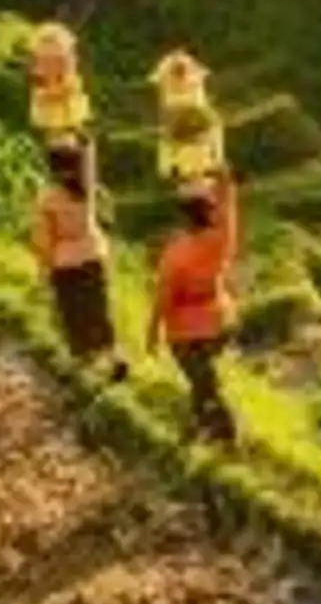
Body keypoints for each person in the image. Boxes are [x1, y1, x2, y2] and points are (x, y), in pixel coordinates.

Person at [150, 169, 241, 445]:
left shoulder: (175, 254)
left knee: (203, 381)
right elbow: (229, 204)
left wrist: (152, 330)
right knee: (202, 379)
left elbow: (164, 298)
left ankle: (225, 431)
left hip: (187, 333)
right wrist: (222, 177)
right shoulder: (222, 239)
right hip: (222, 323)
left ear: (184, 214)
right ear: (210, 208)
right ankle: (197, 424)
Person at [31, 142, 127, 383]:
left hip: (66, 263)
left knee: (73, 314)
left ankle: (83, 360)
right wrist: (85, 141)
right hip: (94, 255)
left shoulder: (48, 198)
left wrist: (43, 270)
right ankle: (114, 356)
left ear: (52, 169)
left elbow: (44, 240)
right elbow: (90, 159)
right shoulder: (87, 189)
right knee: (98, 310)